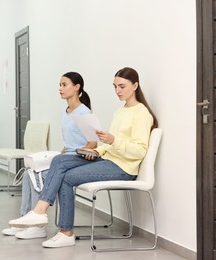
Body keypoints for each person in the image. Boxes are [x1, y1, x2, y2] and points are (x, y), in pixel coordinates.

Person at [8, 67, 158, 248]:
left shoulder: (142, 113)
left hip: (124, 168)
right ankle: (52, 221)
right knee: (59, 160)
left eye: (122, 86)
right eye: (115, 87)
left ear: (135, 85)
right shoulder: (121, 111)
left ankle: (57, 225)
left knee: (66, 177)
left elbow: (140, 151)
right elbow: (109, 146)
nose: (118, 91)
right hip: (108, 159)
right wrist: (97, 151)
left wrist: (113, 140)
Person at [2, 72, 97, 239]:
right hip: (66, 157)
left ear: (76, 87)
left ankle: (37, 226)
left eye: (64, 84)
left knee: (38, 175)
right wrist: (56, 156)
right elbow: (69, 143)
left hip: (79, 160)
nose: (60, 88)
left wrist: (73, 154)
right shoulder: (64, 111)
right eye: (60, 85)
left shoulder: (84, 112)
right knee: (28, 173)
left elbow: (93, 144)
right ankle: (26, 219)